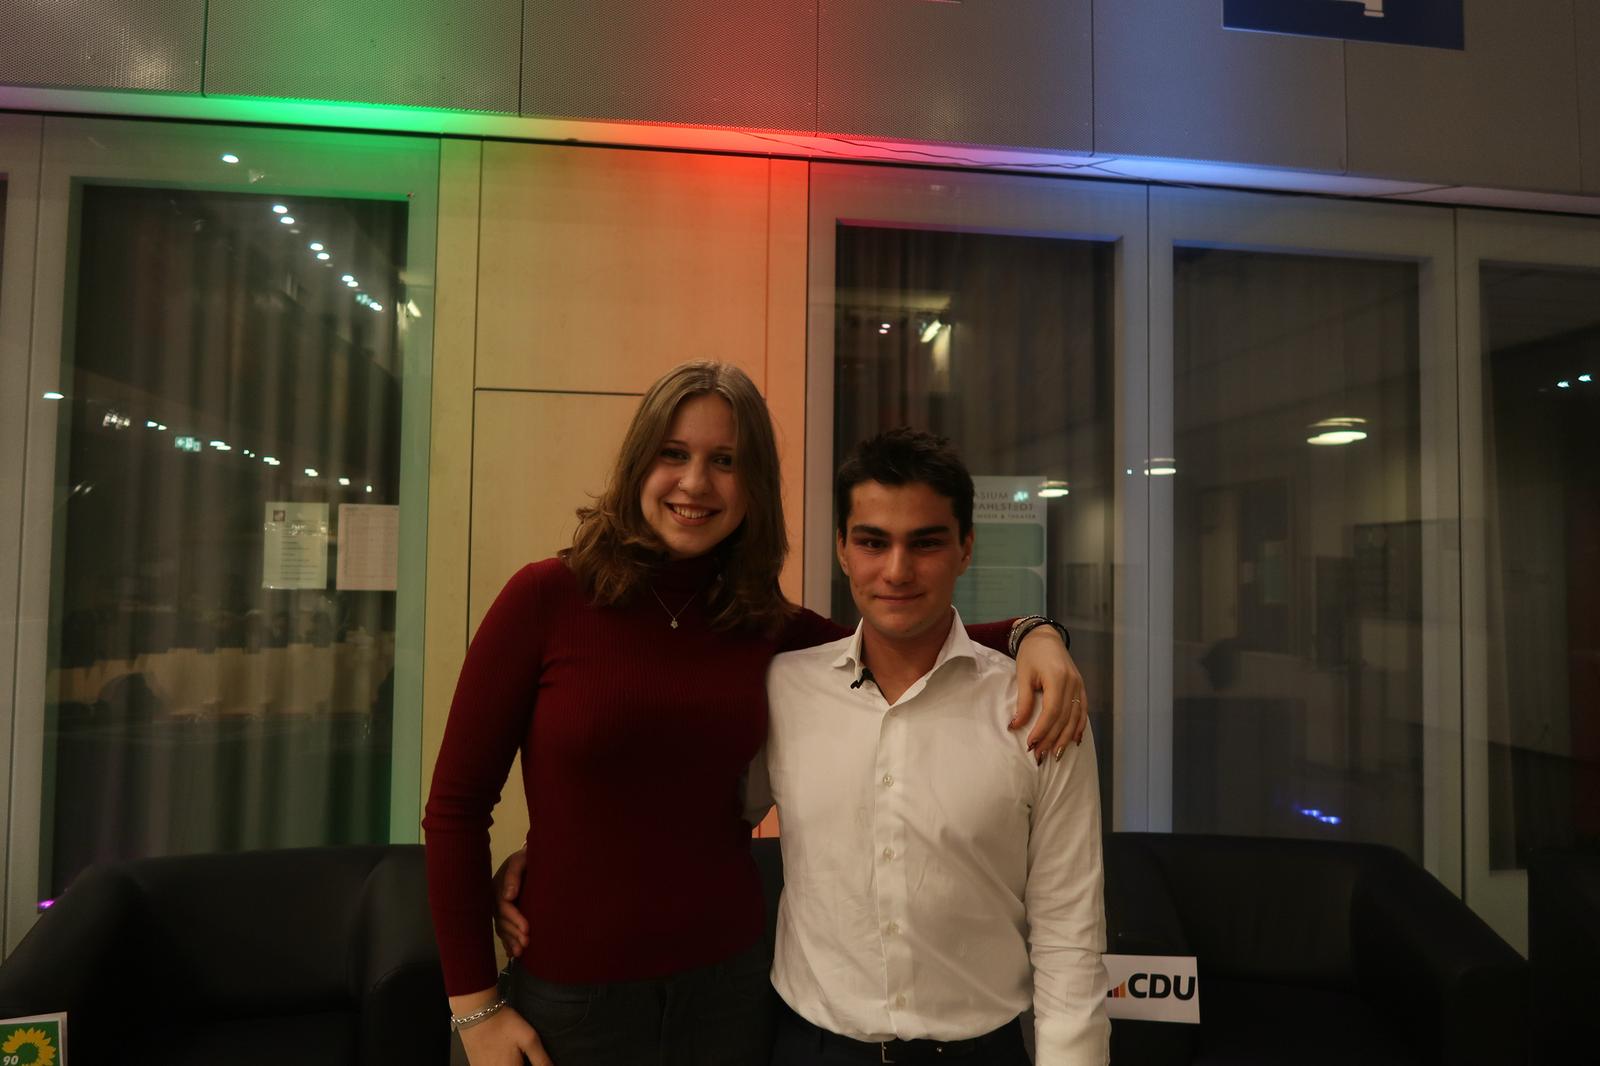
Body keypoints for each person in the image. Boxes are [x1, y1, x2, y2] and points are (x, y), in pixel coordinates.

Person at [426, 362, 1088, 1066]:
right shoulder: (545, 599)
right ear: (638, 463)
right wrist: (475, 1009)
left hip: (729, 995)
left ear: (754, 487)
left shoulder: (760, 624)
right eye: (673, 453)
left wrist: (1034, 632)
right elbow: (456, 809)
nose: (695, 483)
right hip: (571, 999)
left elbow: (902, 627)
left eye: (725, 461)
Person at [756, 427, 1108, 1066]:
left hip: (980, 1052)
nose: (896, 570)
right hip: (811, 1047)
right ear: (842, 549)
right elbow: (703, 828)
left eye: (925, 542)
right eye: (873, 541)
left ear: (966, 548)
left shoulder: (1040, 708)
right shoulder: (783, 690)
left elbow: (1069, 932)